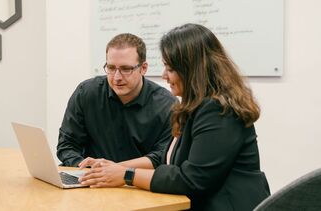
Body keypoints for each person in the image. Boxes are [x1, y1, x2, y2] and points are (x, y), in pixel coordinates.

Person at [79, 23, 271, 210]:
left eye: (170, 69)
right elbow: (167, 162)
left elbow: (192, 180)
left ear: (193, 70)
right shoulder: (194, 106)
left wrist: (126, 175)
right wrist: (111, 168)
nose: (164, 76)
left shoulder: (219, 110)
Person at [57, 33, 177, 169]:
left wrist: (114, 169)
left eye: (126, 69)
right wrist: (84, 168)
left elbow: (164, 156)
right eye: (111, 68)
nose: (117, 77)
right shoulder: (87, 92)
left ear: (143, 68)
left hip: (136, 184)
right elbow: (67, 145)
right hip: (89, 179)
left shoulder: (167, 105)